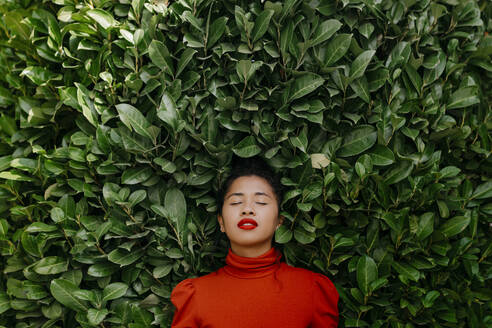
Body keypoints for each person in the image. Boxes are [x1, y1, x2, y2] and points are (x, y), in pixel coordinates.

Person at [170, 156, 339, 327]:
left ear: (279, 221)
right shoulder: (195, 295)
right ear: (221, 222)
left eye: (261, 201)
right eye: (236, 202)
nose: (248, 209)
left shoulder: (311, 290)